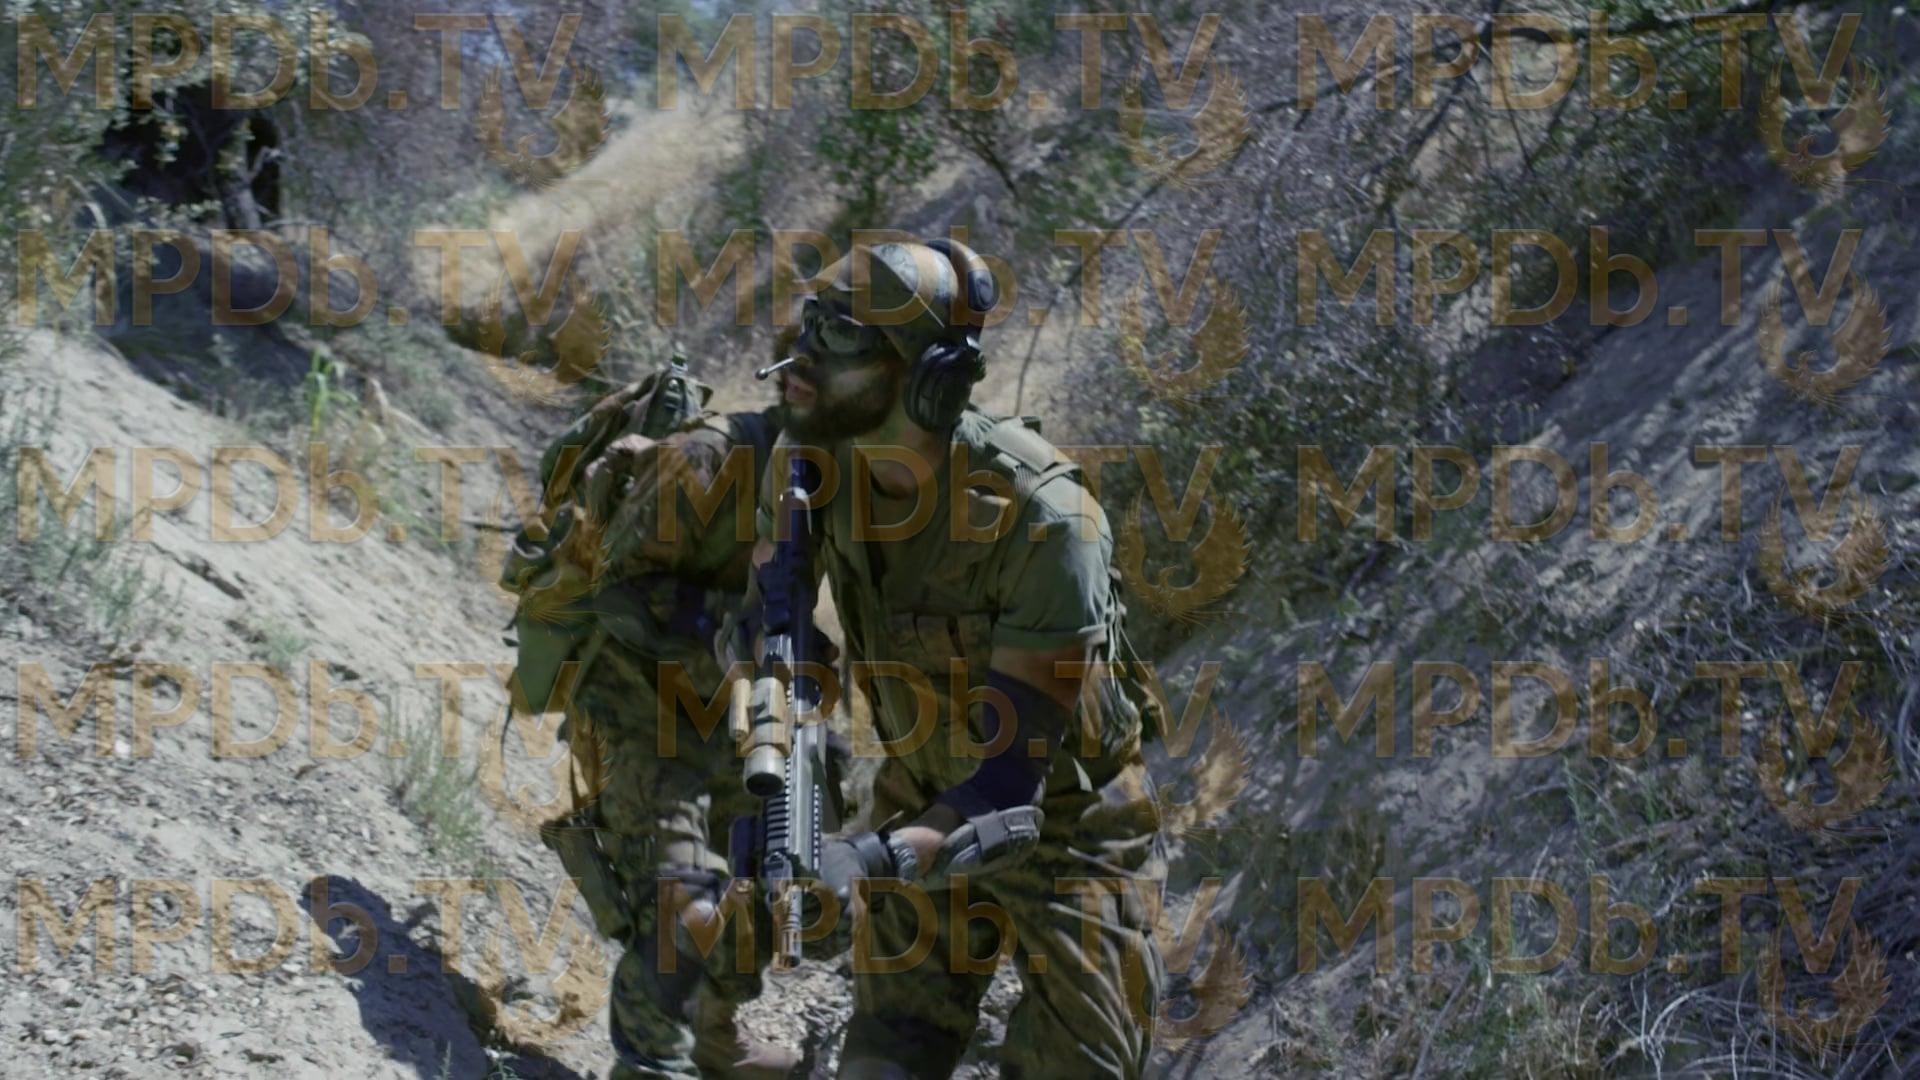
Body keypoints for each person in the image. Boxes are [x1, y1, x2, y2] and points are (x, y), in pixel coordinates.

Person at [749, 237, 1165, 1078]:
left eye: (840, 338)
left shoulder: (1046, 523)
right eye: (811, 323)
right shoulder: (809, 466)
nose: (801, 356)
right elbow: (769, 625)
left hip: (1066, 823)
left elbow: (1008, 793)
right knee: (885, 1060)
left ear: (927, 379)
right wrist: (794, 776)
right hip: (918, 786)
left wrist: (861, 863)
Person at [499, 360, 795, 1079]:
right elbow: (624, 593)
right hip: (636, 698)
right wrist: (743, 628)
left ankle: (714, 1031)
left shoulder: (848, 482)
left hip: (728, 707)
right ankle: (651, 1065)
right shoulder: (706, 457)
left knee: (765, 878)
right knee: (680, 896)